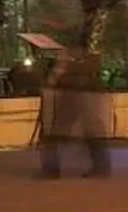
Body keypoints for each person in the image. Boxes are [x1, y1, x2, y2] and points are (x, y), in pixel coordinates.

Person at [36, 43, 111, 179]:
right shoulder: (88, 60)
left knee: (57, 134)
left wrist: (54, 77)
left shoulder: (72, 61)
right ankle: (100, 167)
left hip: (73, 94)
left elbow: (56, 77)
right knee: (90, 132)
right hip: (80, 94)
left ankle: (51, 169)